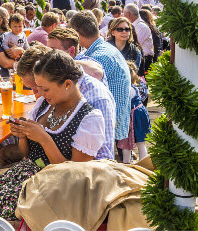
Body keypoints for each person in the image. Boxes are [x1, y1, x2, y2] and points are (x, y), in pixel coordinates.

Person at [0, 50, 105, 228]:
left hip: (48, 190)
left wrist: (45, 139)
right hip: (23, 176)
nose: (40, 93)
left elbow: (75, 178)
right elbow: (26, 153)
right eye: (38, 88)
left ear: (67, 84)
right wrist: (23, 135)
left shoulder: (90, 118)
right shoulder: (45, 104)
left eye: (45, 89)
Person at [46, 30, 116, 160]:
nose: (47, 56)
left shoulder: (95, 95)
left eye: (53, 50)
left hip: (86, 172)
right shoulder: (59, 83)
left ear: (71, 52)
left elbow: (104, 155)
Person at [69, 11, 131, 142]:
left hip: (106, 123)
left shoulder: (99, 56)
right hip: (112, 119)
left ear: (77, 34)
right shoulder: (103, 48)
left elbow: (81, 93)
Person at [117, 61, 151, 164]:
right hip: (139, 112)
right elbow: (144, 95)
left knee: (127, 141)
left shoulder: (125, 88)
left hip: (132, 115)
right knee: (141, 141)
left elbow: (123, 104)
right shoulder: (133, 87)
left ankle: (127, 162)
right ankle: (142, 162)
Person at [124, 4, 154, 70]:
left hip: (145, 60)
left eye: (124, 14)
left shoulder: (141, 26)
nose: (123, 16)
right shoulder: (136, 25)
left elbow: (134, 43)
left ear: (128, 14)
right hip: (139, 58)